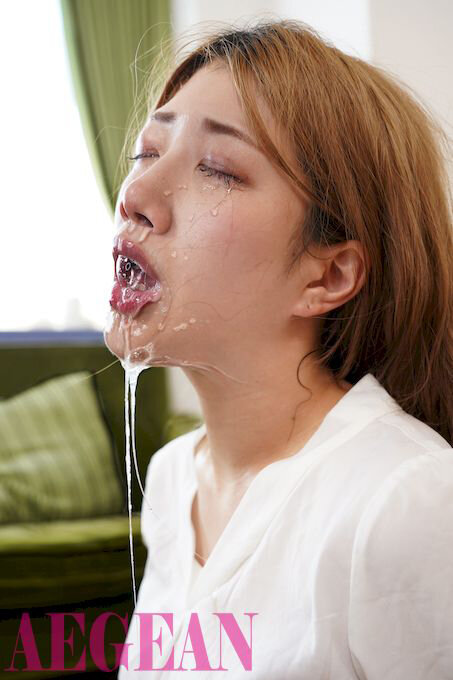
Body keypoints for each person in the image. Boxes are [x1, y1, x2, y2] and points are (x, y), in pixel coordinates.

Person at [104, 18, 453, 679]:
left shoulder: (407, 503)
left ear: (328, 276)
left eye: (217, 170)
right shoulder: (175, 478)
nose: (135, 197)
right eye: (146, 154)